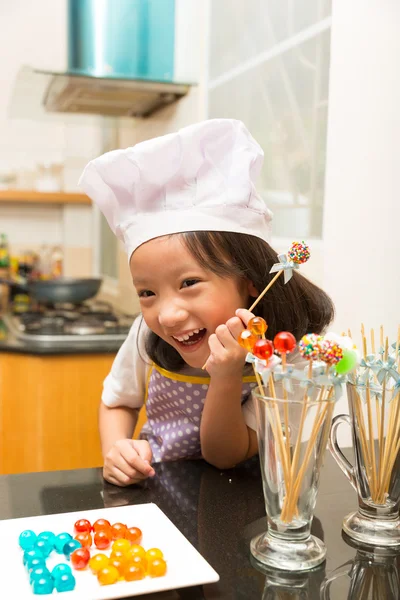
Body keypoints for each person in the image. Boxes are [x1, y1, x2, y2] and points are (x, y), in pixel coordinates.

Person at [79, 119, 334, 487]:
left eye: (189, 283)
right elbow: (118, 401)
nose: (166, 315)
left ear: (250, 282)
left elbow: (224, 455)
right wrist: (117, 449)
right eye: (147, 293)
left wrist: (227, 376)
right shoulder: (144, 334)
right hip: (156, 499)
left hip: (243, 514)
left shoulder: (283, 354)